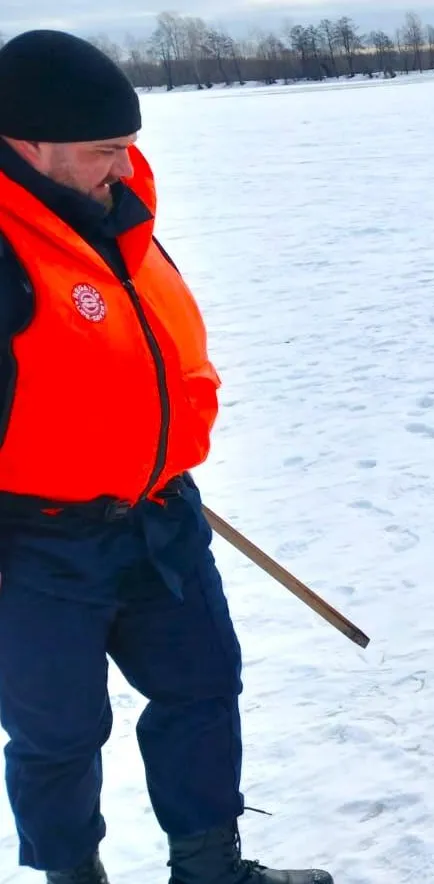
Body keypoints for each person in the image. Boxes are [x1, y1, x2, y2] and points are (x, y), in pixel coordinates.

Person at [0, 31, 331, 884]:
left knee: (203, 690)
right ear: (26, 145)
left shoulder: (123, 224)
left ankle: (210, 866)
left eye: (126, 148)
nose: (121, 166)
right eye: (102, 150)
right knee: (59, 733)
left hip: (159, 517)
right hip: (34, 546)